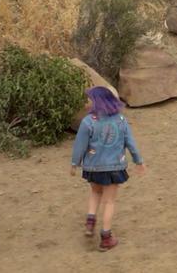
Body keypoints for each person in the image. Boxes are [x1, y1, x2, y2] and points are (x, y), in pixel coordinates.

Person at [70, 86, 145, 251]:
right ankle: (106, 238)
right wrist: (138, 161)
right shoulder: (121, 120)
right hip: (114, 167)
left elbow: (79, 145)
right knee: (109, 201)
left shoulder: (88, 121)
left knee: (95, 192)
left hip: (93, 167)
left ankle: (90, 222)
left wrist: (75, 164)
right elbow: (131, 143)